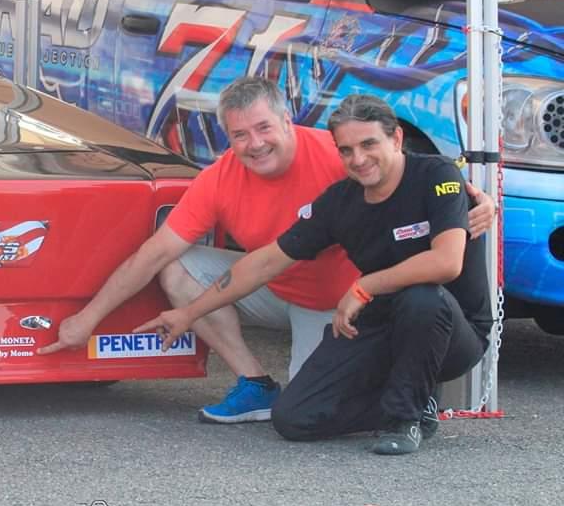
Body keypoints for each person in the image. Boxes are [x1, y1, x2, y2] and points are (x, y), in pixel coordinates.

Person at [38, 78, 494, 425]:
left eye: (263, 128)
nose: (254, 144)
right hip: (276, 287)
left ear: (287, 121)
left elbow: (415, 177)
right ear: (226, 138)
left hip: (346, 302)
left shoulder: (341, 153)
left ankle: (409, 395)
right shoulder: (221, 178)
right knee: (177, 266)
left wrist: (477, 200)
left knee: (314, 404)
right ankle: (254, 382)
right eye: (239, 135)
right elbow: (160, 254)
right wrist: (89, 320)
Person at [137, 95, 493, 455]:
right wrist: (188, 313)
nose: (358, 159)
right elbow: (264, 263)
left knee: (421, 297)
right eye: (346, 150)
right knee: (294, 418)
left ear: (396, 138)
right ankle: (414, 400)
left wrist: (365, 285)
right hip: (381, 323)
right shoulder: (340, 201)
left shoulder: (438, 175)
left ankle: (404, 419)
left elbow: (446, 263)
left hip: (451, 331)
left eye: (369, 144)